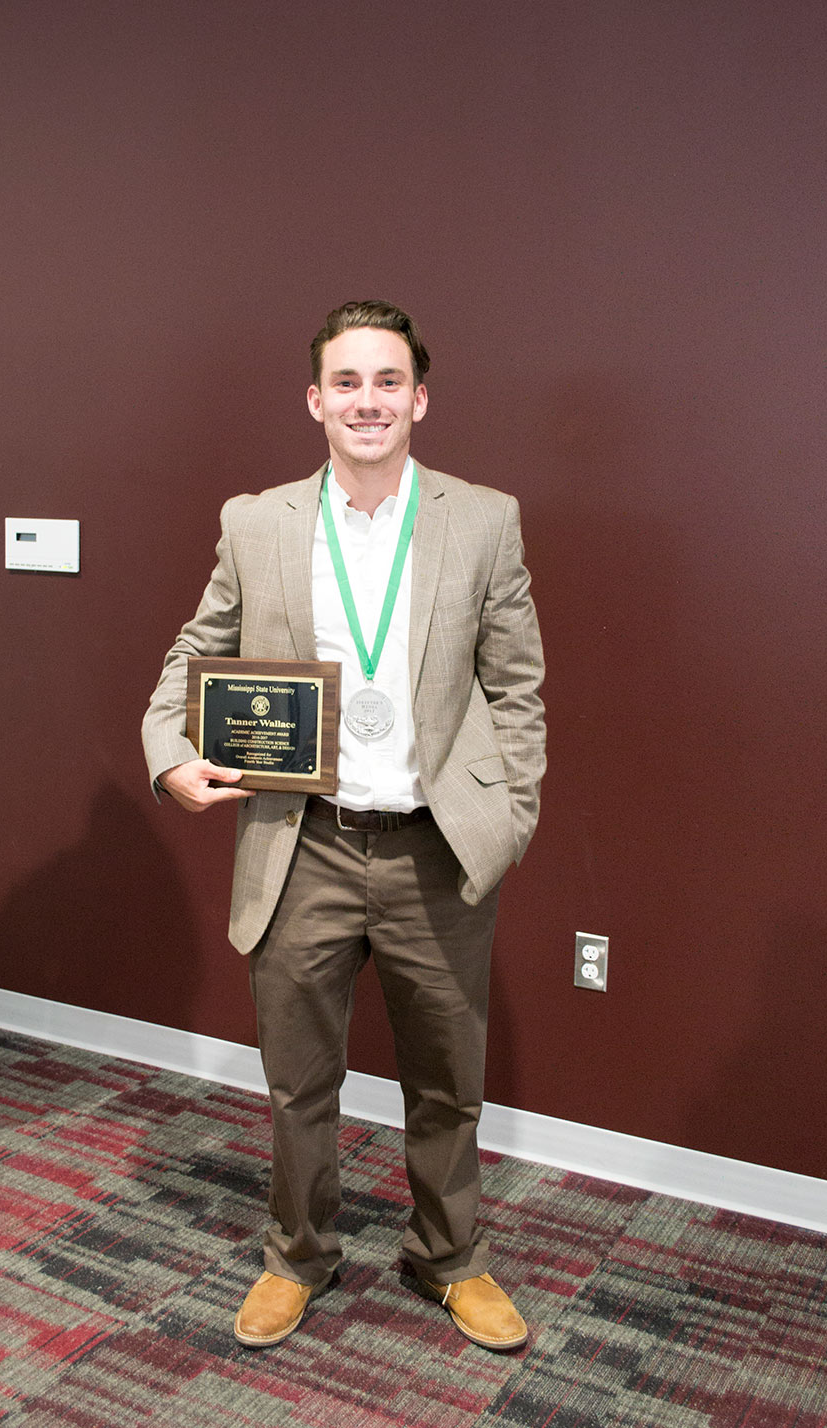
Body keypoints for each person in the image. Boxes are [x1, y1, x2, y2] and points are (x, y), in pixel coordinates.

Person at [143, 300, 545, 1350]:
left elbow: (517, 689)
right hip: (302, 847)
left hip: (434, 851)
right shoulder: (258, 521)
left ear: (418, 398)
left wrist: (506, 818)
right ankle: (298, 1256)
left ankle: (450, 1258)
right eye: (346, 383)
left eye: (387, 382)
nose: (367, 401)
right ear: (315, 400)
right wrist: (168, 756)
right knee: (298, 1082)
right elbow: (193, 655)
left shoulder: (483, 518)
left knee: (448, 1080)